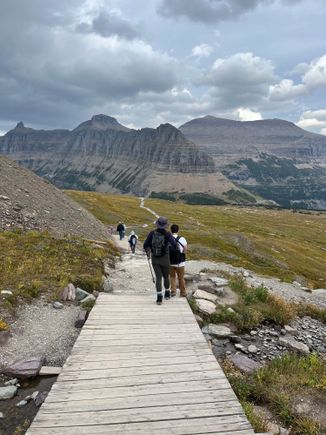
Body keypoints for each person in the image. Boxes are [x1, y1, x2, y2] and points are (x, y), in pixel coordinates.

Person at [143, 216, 178, 305]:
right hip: (165, 259)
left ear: (157, 224)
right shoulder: (168, 234)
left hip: (155, 258)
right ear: (166, 225)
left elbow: (145, 245)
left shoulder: (152, 233)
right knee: (166, 277)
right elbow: (175, 245)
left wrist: (150, 250)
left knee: (158, 278)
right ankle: (167, 293)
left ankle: (159, 298)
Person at [169, 224, 187, 297]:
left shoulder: (168, 238)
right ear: (178, 230)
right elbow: (185, 250)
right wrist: (181, 255)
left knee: (172, 277)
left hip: (170, 262)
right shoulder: (182, 239)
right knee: (181, 278)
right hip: (180, 263)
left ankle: (173, 291)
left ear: (171, 230)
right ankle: (183, 293)